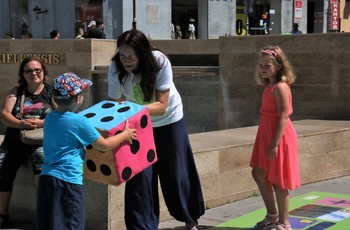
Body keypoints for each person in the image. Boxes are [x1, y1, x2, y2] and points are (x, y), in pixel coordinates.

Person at [108, 29, 205, 230]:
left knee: (176, 174)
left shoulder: (160, 62)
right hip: (137, 124)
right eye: (122, 54)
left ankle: (190, 220)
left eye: (130, 56)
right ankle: (141, 227)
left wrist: (131, 109)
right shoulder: (115, 68)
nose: (125, 60)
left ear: (142, 53)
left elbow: (161, 106)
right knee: (139, 179)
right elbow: (117, 104)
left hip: (169, 121)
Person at [36, 72, 137, 230]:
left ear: (54, 99)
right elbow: (103, 145)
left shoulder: (49, 118)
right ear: (78, 98)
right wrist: (125, 134)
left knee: (50, 224)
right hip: (68, 181)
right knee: (71, 224)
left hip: (47, 179)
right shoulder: (78, 121)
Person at [0, 56, 53, 228]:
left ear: (44, 72)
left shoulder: (51, 92)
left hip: (40, 143)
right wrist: (20, 123)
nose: (33, 74)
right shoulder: (17, 91)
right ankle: (2, 215)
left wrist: (41, 123)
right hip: (15, 142)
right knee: (2, 170)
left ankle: (43, 216)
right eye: (29, 71)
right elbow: (5, 114)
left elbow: (61, 116)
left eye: (37, 70)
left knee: (42, 170)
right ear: (23, 74)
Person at [250, 46, 299, 230]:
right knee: (259, 173)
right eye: (261, 65)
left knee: (279, 180)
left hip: (279, 137)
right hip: (266, 134)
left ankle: (285, 223)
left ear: (278, 66)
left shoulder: (281, 87)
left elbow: (283, 117)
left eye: (267, 65)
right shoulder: (269, 87)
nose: (263, 68)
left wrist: (274, 144)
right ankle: (272, 215)